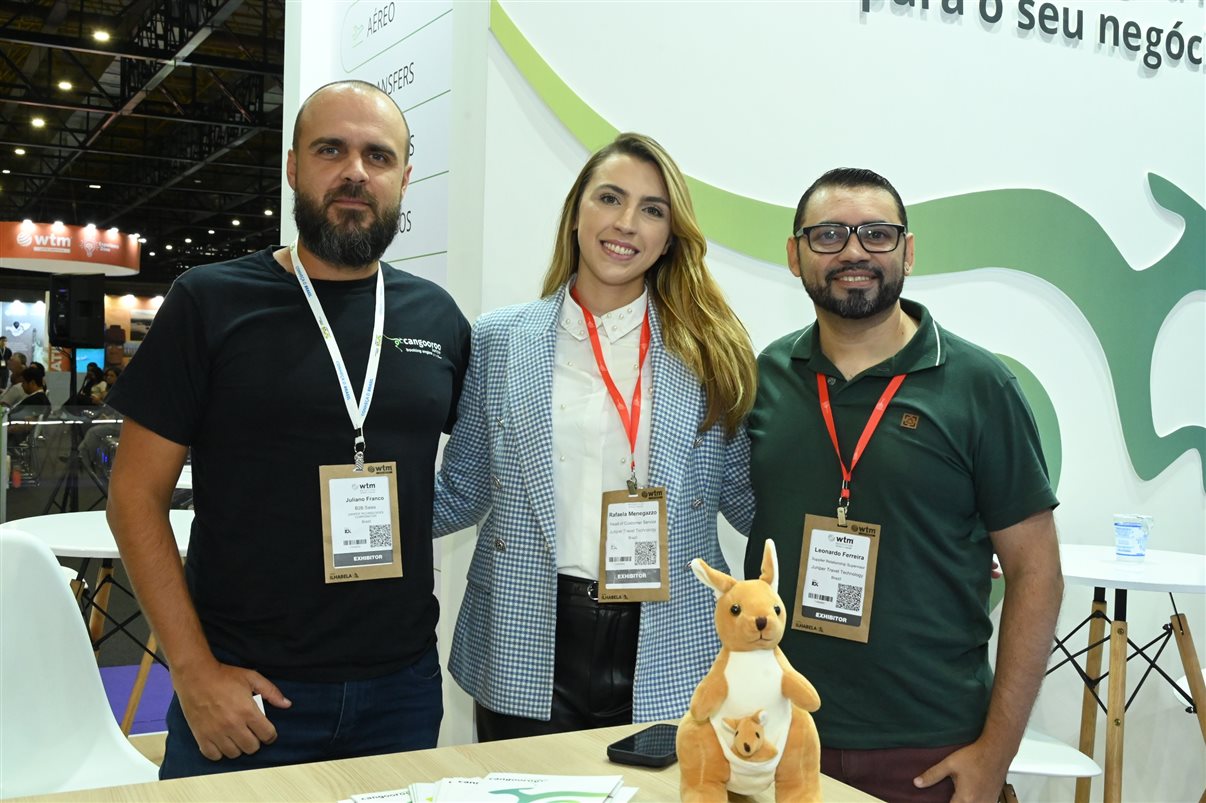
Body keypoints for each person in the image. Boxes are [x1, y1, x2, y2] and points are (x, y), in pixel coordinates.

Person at [106, 80, 470, 779]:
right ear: (294, 166)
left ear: (403, 178)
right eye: (331, 149)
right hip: (244, 691)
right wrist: (193, 672)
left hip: (401, 690)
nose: (355, 172)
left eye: (378, 156)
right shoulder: (209, 302)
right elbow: (134, 495)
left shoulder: (436, 317)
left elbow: (479, 465)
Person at [743, 167, 1063, 803]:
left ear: (908, 251)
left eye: (877, 234)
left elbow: (1037, 573)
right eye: (829, 234)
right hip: (778, 734)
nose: (854, 251)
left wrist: (995, 754)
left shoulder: (979, 386)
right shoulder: (768, 376)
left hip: (928, 748)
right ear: (795, 254)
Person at [433, 133, 757, 740]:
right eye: (610, 198)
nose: (626, 223)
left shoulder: (713, 352)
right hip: (524, 634)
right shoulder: (500, 339)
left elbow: (747, 499)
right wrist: (319, 520)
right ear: (577, 212)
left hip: (671, 642)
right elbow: (462, 492)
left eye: (652, 210)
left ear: (669, 237)